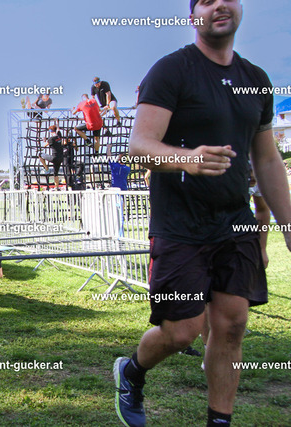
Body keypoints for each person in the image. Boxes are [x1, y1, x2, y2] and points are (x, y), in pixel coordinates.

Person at [116, 2, 291, 427]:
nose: (219, 5)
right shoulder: (171, 71)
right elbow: (139, 146)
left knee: (231, 327)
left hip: (234, 222)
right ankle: (131, 372)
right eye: (206, 0)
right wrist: (187, 159)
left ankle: (219, 421)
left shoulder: (255, 80)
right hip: (180, 224)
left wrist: (287, 224)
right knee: (182, 332)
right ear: (193, 15)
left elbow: (267, 160)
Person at [37, 120, 64, 190]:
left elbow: (45, 145)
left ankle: (46, 168)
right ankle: (57, 187)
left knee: (39, 154)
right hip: (60, 158)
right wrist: (56, 121)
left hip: (54, 158)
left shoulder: (51, 139)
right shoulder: (59, 136)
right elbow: (58, 128)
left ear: (51, 131)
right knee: (56, 173)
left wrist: (44, 141)